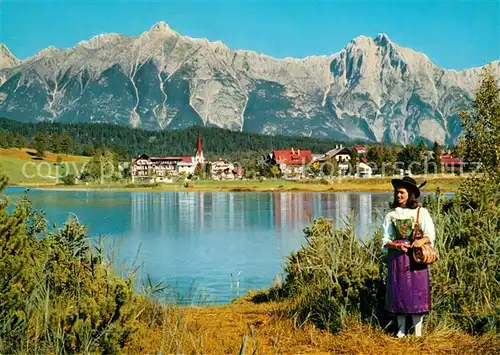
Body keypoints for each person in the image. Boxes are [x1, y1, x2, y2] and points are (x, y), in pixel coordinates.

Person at [381, 176, 436, 338]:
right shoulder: (391, 215)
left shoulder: (421, 212)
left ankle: (418, 333)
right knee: (399, 292)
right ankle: (401, 331)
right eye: (397, 192)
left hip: (416, 260)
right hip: (397, 259)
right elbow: (385, 240)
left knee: (417, 293)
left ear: (410, 193)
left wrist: (420, 241)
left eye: (401, 192)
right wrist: (396, 246)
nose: (398, 195)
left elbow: (430, 235)